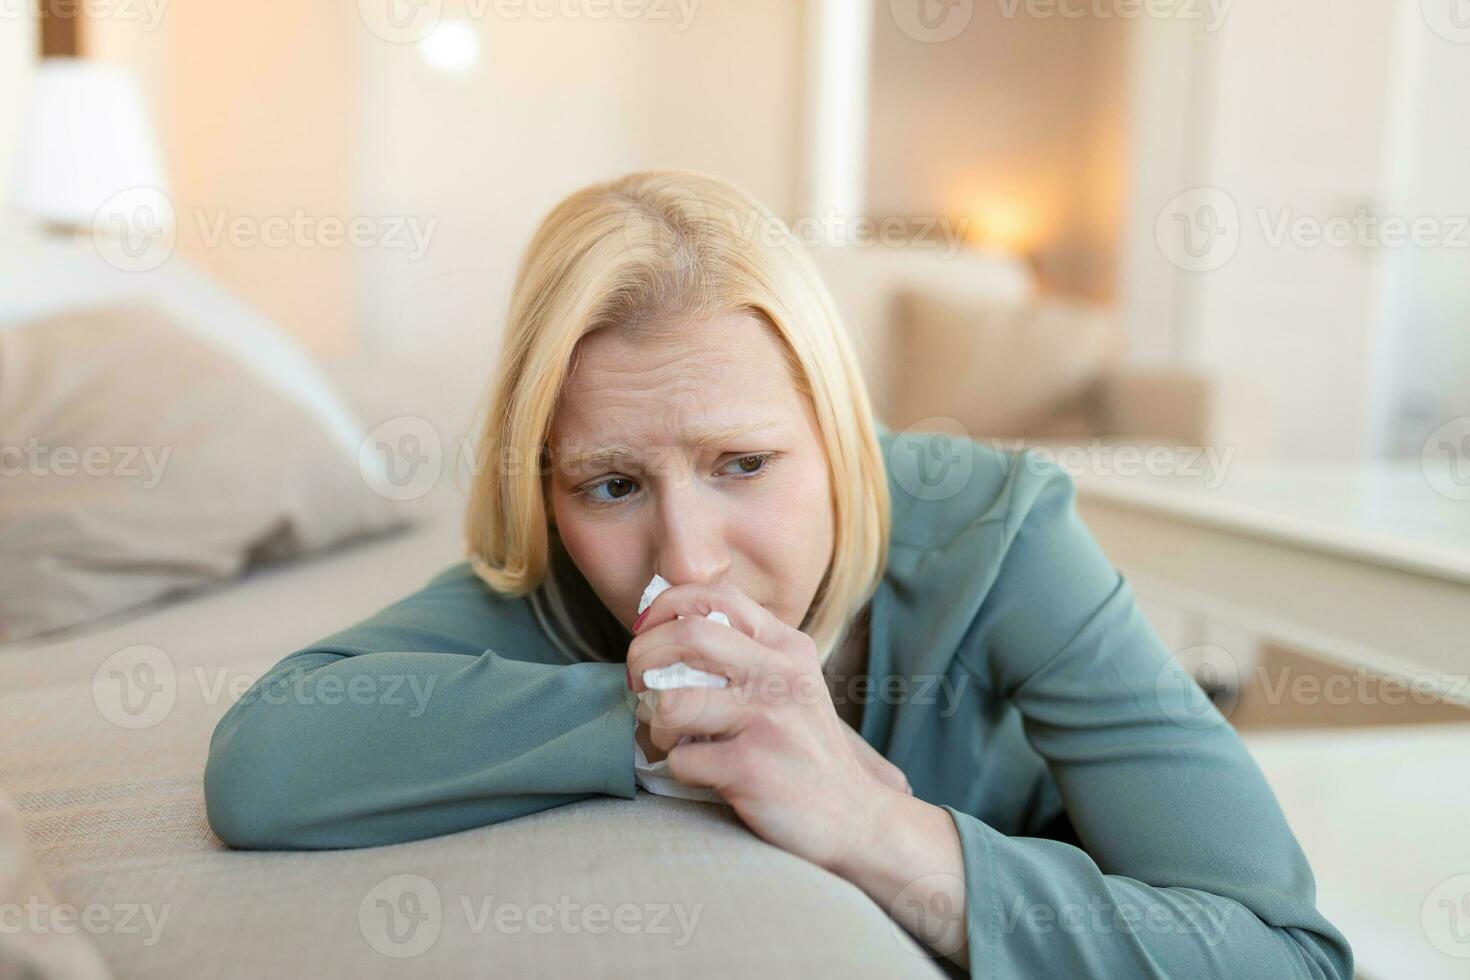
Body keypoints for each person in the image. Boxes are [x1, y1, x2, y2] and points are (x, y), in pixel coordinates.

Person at [204, 169, 1353, 978]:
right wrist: (669, 717)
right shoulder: (547, 580)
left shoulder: (997, 529)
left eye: (742, 464)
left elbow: (1284, 951)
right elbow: (265, 760)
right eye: (610, 483)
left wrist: (882, 831)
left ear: (843, 434)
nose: (688, 556)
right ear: (545, 483)